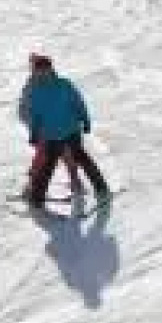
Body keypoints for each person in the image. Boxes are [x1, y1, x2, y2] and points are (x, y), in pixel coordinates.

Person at [22, 53, 111, 209]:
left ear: (51, 69)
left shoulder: (64, 84)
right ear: (35, 72)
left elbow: (78, 102)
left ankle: (101, 188)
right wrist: (34, 132)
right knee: (47, 166)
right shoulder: (35, 91)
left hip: (71, 131)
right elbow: (34, 114)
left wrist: (85, 119)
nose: (42, 73)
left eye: (45, 69)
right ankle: (37, 199)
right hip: (51, 135)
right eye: (39, 70)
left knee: (82, 159)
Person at [17, 52, 83, 198]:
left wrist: (74, 117)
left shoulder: (57, 82)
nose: (41, 71)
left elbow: (69, 100)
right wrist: (35, 125)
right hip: (43, 131)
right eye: (36, 67)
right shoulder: (31, 86)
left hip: (62, 128)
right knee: (42, 158)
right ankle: (32, 186)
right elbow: (23, 109)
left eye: (45, 67)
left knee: (68, 155)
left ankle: (75, 182)